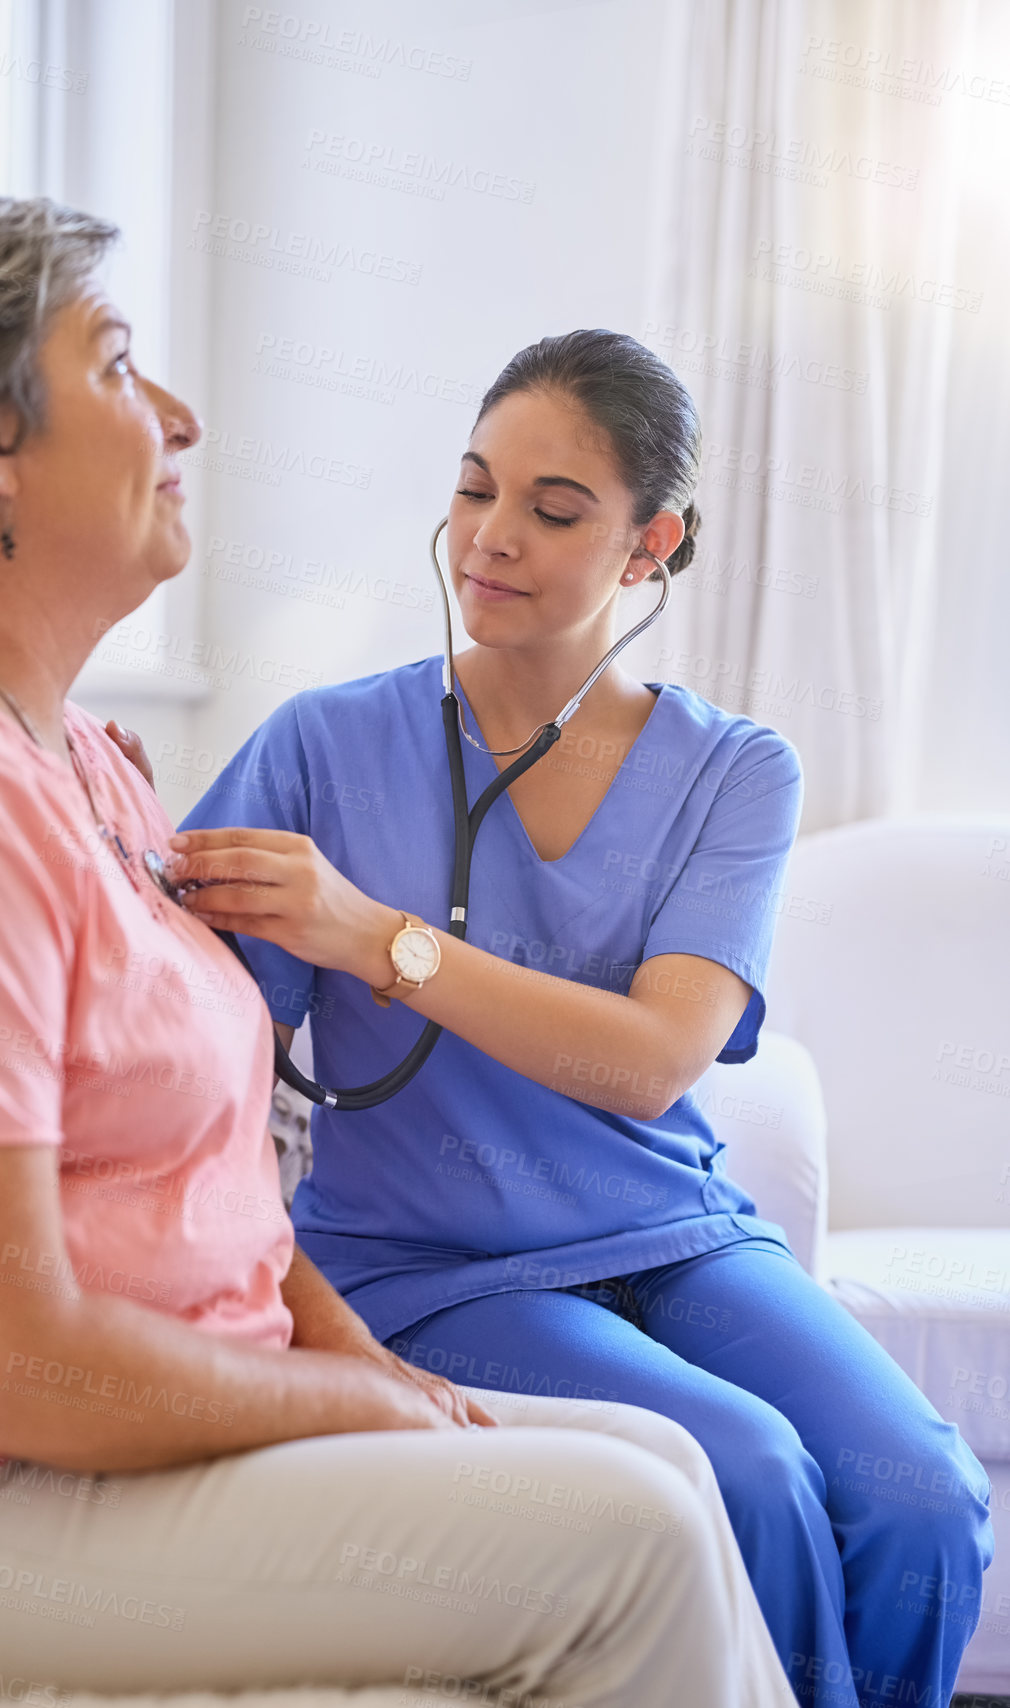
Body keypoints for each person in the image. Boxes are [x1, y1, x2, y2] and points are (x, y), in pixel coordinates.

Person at [0, 177, 797, 1708]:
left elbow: (211, 1177)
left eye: (555, 510)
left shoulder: (77, 758)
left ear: (644, 548)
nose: (177, 415)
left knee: (672, 1457)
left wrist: (358, 1364)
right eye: (113, 364)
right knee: (626, 1532)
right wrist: (336, 1405)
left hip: (221, 1382)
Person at [173, 330, 994, 1708]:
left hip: (674, 1237)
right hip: (427, 1269)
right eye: (475, 488)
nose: (488, 539)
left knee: (923, 1496)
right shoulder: (320, 747)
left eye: (553, 511)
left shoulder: (735, 771)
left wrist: (373, 938)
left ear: (648, 544)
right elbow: (183, 1047)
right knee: (750, 1475)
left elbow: (651, 1061)